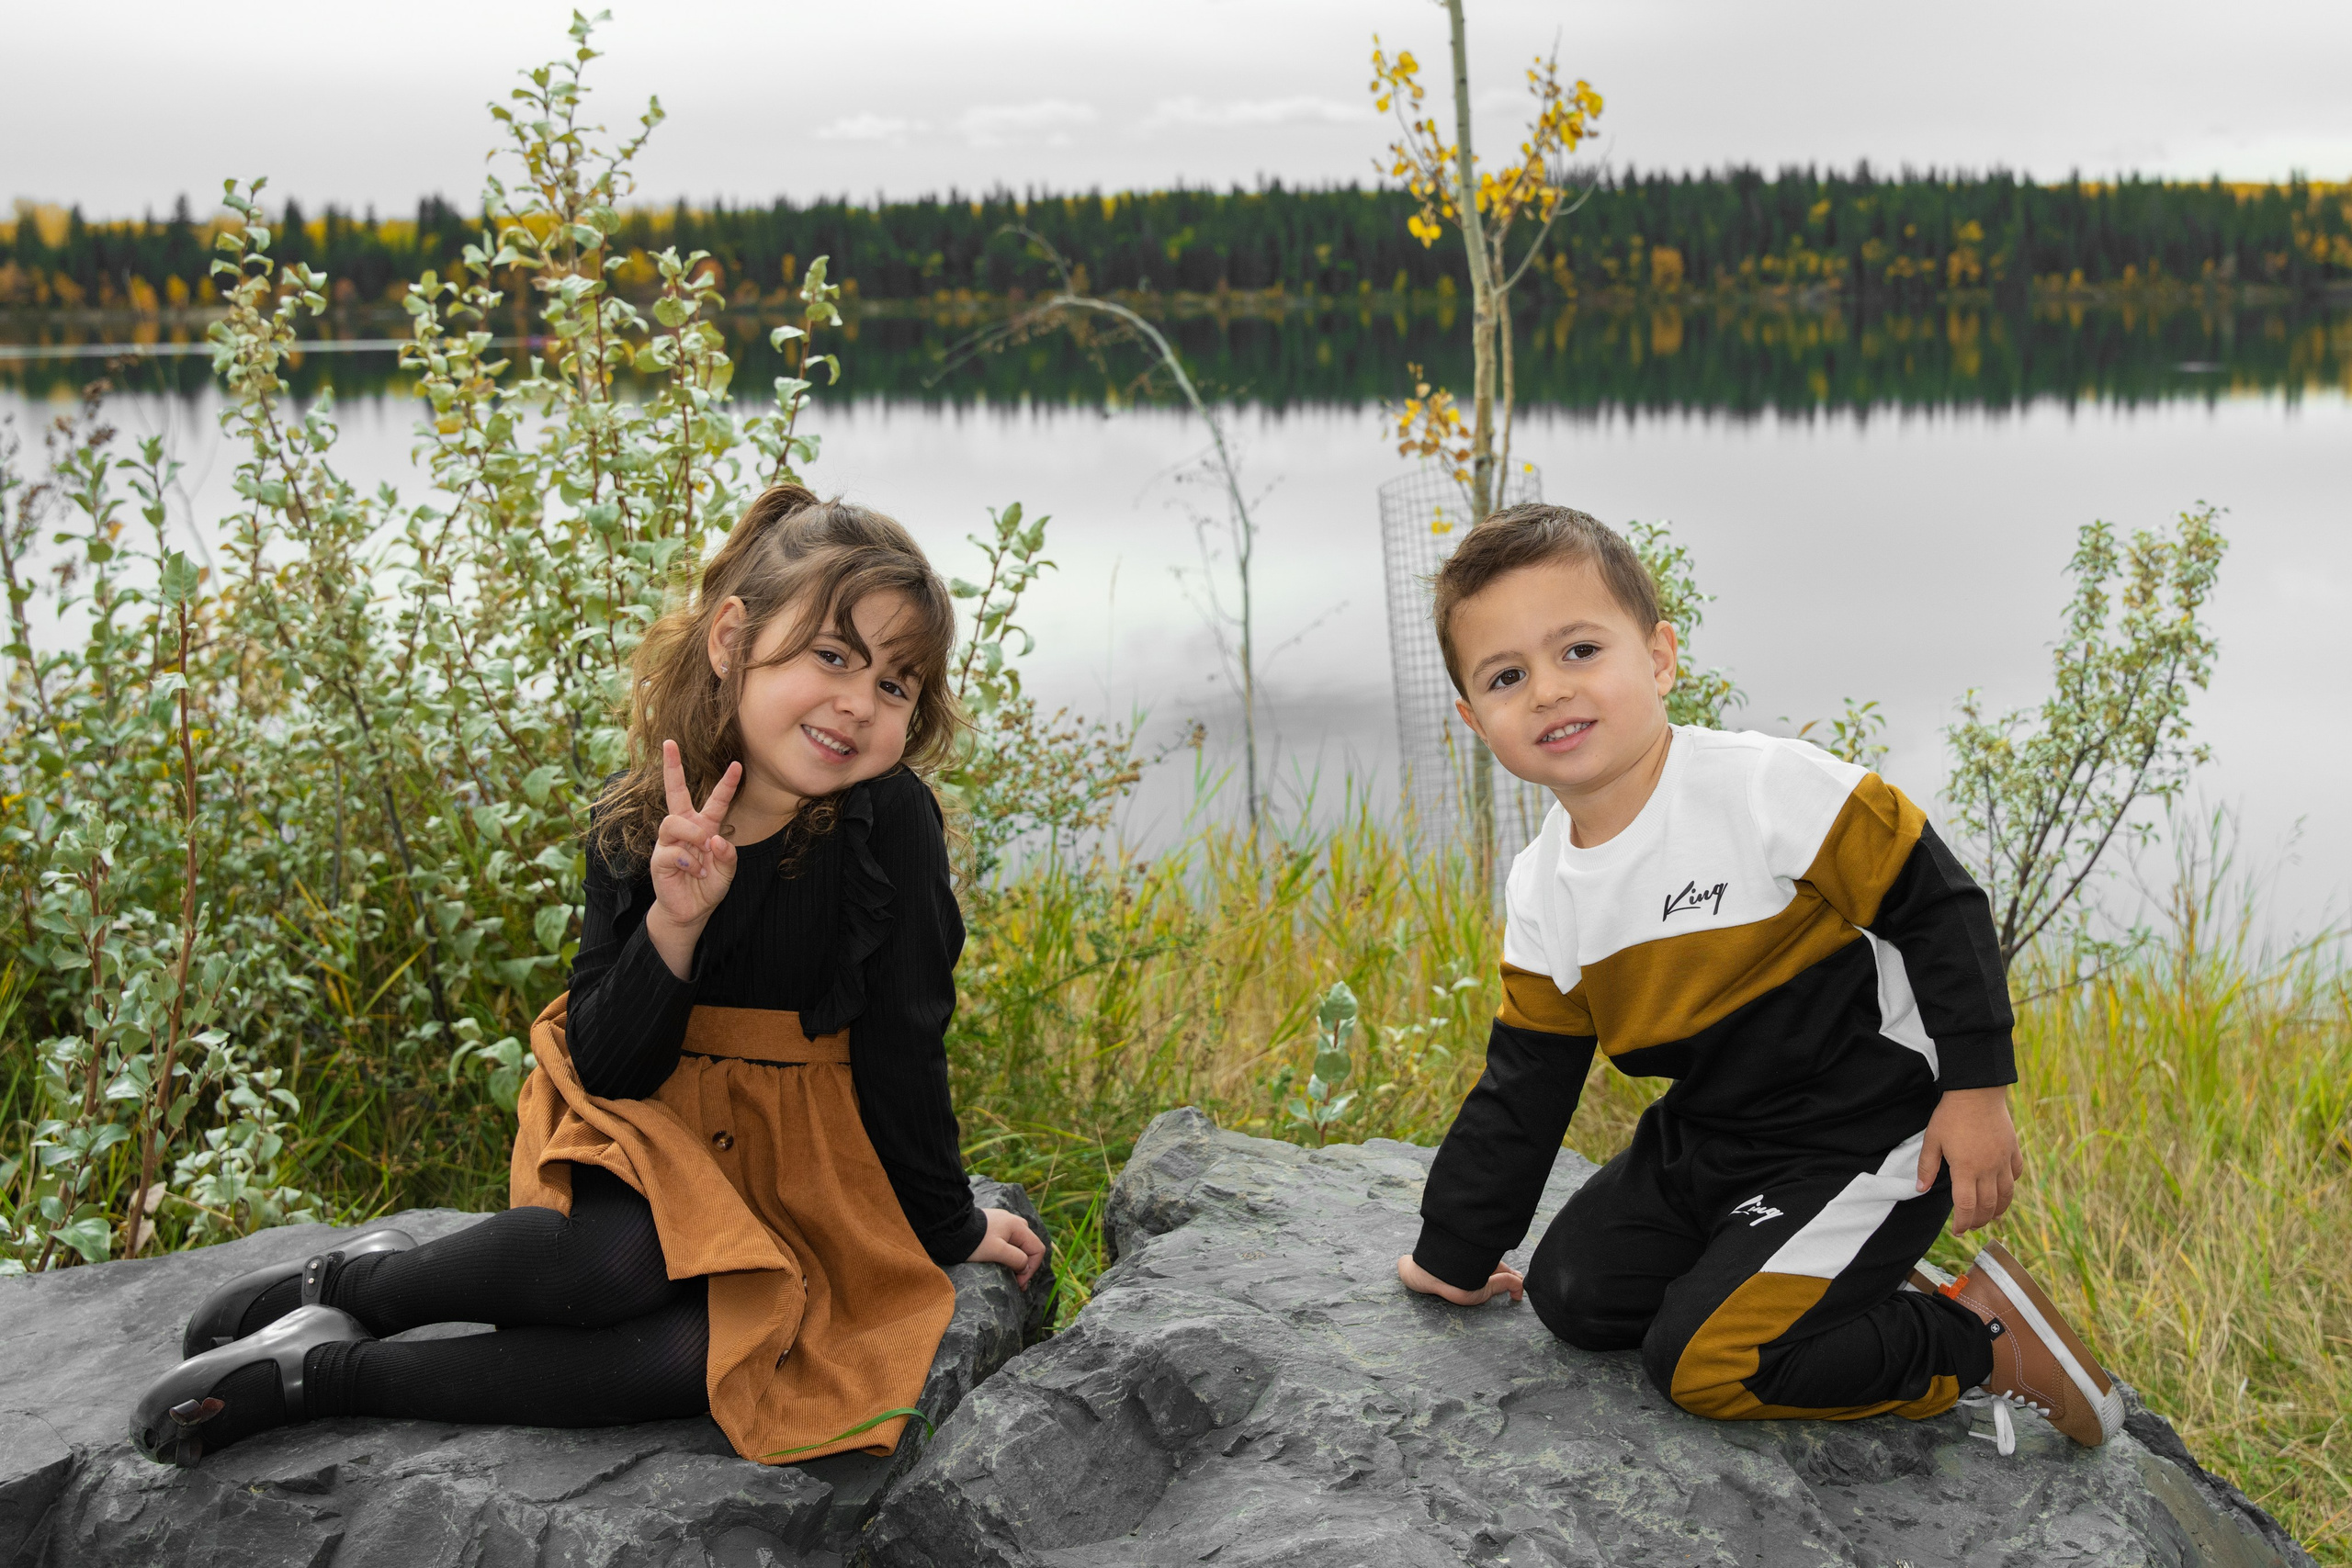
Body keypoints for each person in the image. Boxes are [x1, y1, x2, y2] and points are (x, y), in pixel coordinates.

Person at [132, 484, 1046, 1469]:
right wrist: (674, 922)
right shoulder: (637, 815)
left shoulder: (891, 826)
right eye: (831, 657)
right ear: (732, 637)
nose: (858, 704)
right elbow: (609, 1067)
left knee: (699, 1358)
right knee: (613, 1266)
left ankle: (323, 1376)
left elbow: (904, 1043)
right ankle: (353, 1290)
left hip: (801, 1165)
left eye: (895, 684)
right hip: (642, 1130)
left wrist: (945, 1222)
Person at [1397, 504, 2121, 1454]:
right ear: (1472, 717)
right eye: (1506, 676)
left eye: (1578, 650)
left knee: (1704, 1364)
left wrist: (1974, 1092)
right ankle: (1815, 1271)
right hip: (1716, 1139)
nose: (1546, 692)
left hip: (1869, 1126)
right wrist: (1453, 1253)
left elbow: (1940, 906)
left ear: (1657, 658)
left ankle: (1976, 1342)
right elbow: (1525, 1083)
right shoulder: (1543, 886)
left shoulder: (1760, 789)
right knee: (1572, 1295)